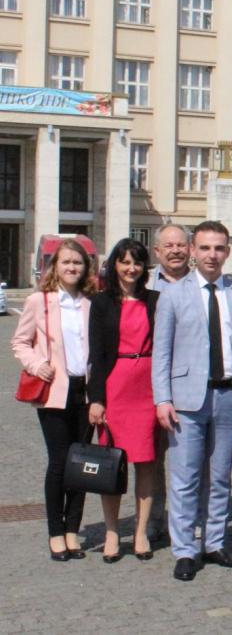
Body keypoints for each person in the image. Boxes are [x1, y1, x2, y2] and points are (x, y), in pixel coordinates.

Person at [152, 221, 232, 582]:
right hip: (186, 401)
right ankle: (185, 549)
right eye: (204, 248)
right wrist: (162, 398)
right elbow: (161, 353)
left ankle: (214, 542)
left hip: (230, 397)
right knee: (185, 478)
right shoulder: (173, 294)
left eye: (218, 248)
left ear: (227, 252)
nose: (211, 255)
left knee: (220, 478)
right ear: (192, 251)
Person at [12, 238, 96, 561]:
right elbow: (20, 342)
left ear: (86, 267)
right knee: (60, 462)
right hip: (54, 390)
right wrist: (37, 365)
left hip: (86, 391)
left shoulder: (91, 301)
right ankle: (55, 532)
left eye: (78, 262)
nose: (72, 267)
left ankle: (73, 528)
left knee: (81, 463)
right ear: (55, 267)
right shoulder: (40, 301)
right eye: (66, 262)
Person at [87, 239, 161, 563]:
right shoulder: (101, 302)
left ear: (145, 267)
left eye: (137, 263)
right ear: (114, 265)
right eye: (125, 262)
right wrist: (96, 399)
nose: (131, 268)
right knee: (112, 465)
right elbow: (96, 354)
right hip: (115, 384)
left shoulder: (155, 300)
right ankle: (112, 532)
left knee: (146, 462)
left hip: (148, 386)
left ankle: (141, 531)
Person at [146, 222, 191, 542]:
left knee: (192, 457)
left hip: (191, 385)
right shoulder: (143, 285)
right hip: (149, 383)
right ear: (157, 251)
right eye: (169, 246)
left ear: (190, 248)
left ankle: (188, 519)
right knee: (152, 456)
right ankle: (154, 518)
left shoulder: (202, 282)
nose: (175, 251)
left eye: (181, 245)